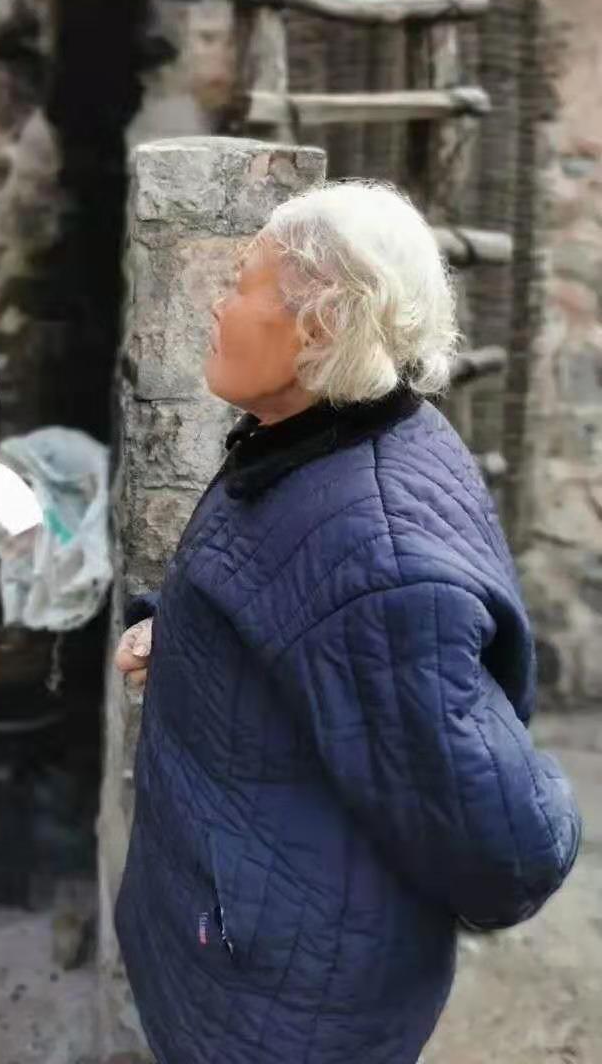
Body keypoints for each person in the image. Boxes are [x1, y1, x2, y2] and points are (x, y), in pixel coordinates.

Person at [113, 180, 580, 1064]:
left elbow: (507, 845)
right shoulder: (311, 437)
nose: (216, 305)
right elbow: (294, 620)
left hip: (287, 1008)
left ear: (319, 328)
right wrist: (182, 634)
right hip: (242, 956)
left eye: (241, 284)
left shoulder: (375, 555)